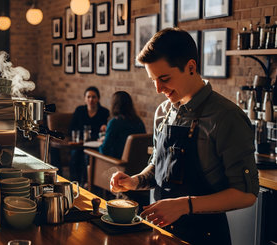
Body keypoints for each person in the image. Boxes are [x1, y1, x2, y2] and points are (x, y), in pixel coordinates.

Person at [110, 28, 258, 245]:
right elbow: (158, 166)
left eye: (164, 78)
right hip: (160, 232)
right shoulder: (163, 112)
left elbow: (247, 194)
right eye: (153, 80)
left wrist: (184, 205)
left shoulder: (226, 117)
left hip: (205, 236)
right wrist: (134, 181)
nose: (159, 88)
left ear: (191, 67)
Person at [68, 86, 109, 185]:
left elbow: (103, 132)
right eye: (88, 97)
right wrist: (80, 139)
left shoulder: (104, 112)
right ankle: (74, 183)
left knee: (87, 157)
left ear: (98, 99)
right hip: (80, 143)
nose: (91, 99)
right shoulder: (79, 110)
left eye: (94, 97)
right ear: (85, 99)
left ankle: (87, 183)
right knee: (75, 155)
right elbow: (72, 128)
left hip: (95, 145)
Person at [99, 91, 146, 159]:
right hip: (136, 164)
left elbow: (104, 151)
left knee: (89, 154)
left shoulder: (114, 122)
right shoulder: (139, 121)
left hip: (117, 164)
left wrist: (101, 143)